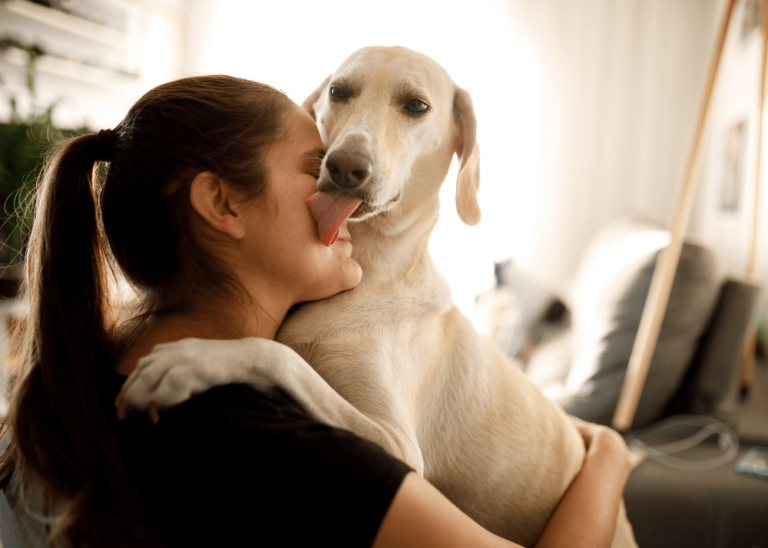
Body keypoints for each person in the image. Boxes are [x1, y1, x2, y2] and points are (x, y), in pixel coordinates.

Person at [0, 75, 631, 548]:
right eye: (316, 166)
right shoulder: (263, 436)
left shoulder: (90, 371)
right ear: (223, 203)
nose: (345, 186)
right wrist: (606, 460)